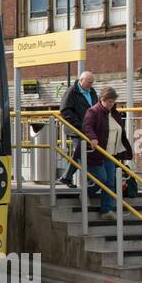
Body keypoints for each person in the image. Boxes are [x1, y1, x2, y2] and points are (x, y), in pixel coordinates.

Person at [82, 86, 132, 216]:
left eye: (112, 101)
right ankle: (84, 194)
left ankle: (106, 210)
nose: (110, 104)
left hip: (111, 153)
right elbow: (87, 127)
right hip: (96, 153)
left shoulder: (115, 114)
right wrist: (93, 138)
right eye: (108, 101)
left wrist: (122, 151)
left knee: (110, 182)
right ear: (101, 99)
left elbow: (120, 133)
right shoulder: (93, 111)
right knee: (102, 179)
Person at [58, 71, 97, 187]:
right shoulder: (72, 91)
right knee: (81, 153)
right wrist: (79, 124)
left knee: (79, 153)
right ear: (81, 80)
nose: (91, 85)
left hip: (89, 129)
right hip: (76, 129)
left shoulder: (92, 91)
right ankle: (88, 180)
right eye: (89, 82)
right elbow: (65, 111)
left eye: (92, 82)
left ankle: (66, 177)